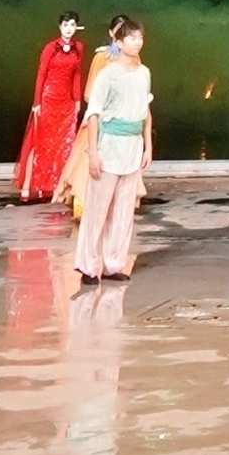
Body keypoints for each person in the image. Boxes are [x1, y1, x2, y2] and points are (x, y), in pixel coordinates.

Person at [73, 17, 153, 283]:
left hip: (133, 145)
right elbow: (94, 113)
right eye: (131, 38)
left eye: (140, 37)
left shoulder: (144, 72)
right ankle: (88, 265)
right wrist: (93, 152)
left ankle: (114, 263)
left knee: (123, 209)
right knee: (98, 208)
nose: (137, 42)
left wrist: (148, 146)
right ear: (118, 42)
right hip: (109, 146)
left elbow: (146, 111)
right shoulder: (108, 73)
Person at [13, 16, 88, 208]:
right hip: (48, 99)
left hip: (67, 103)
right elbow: (41, 74)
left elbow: (77, 75)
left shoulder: (78, 47)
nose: (69, 29)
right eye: (65, 25)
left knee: (64, 144)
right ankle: (28, 187)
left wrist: (77, 100)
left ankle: (58, 187)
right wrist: (37, 102)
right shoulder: (50, 48)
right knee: (38, 142)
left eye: (72, 25)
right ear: (60, 26)